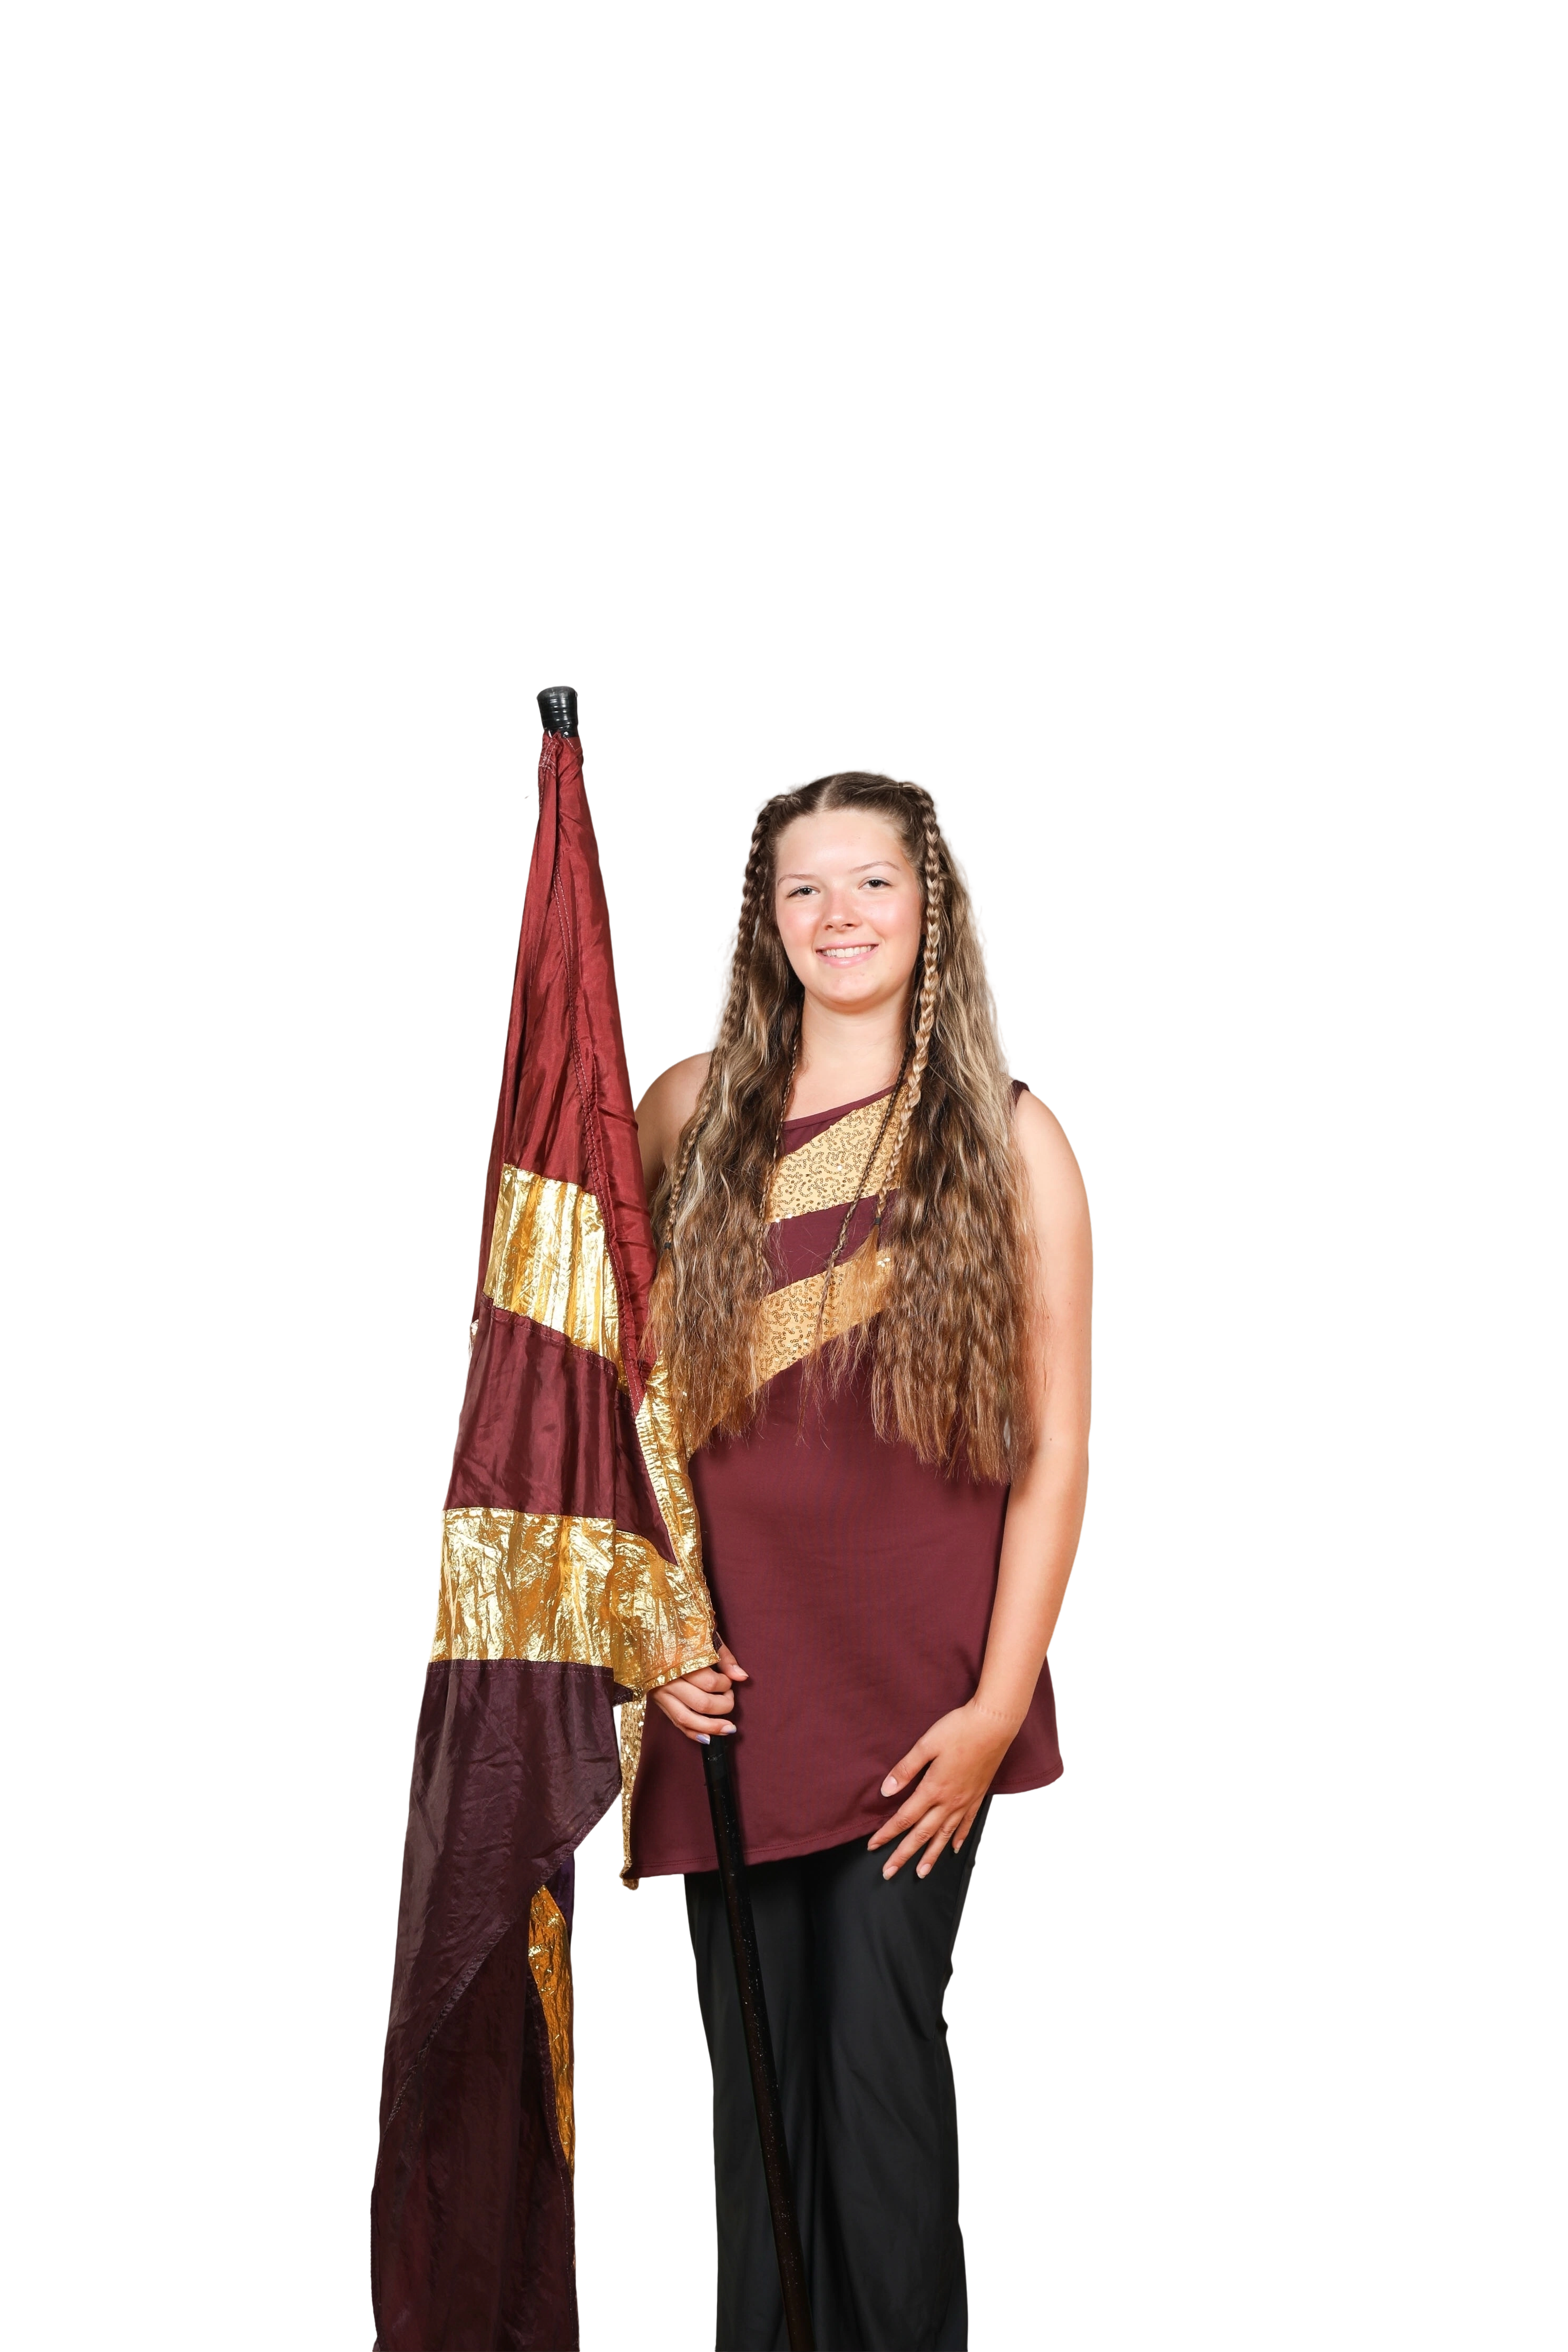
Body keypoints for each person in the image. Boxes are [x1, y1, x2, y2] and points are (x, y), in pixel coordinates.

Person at [628, 767, 1093, 2352]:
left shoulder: (1011, 1140)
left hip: (920, 1694)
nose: (840, 916)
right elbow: (597, 1402)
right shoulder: (685, 1113)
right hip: (733, 1683)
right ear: (765, 921)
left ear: (931, 903)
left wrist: (995, 1711)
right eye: (804, 888)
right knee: (754, 2087)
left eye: (873, 882)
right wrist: (650, 1631)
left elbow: (1055, 1452)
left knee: (878, 2073)